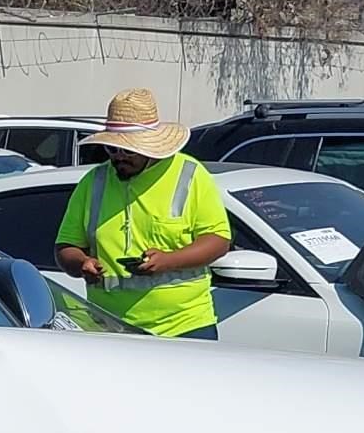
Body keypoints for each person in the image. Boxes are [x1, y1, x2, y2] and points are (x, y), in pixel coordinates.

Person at [53, 90, 233, 339]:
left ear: (150, 147)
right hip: (108, 327)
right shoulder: (94, 181)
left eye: (128, 151)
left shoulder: (190, 175)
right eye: (112, 149)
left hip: (185, 327)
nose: (119, 158)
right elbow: (66, 247)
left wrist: (168, 260)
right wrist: (80, 263)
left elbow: (218, 241)